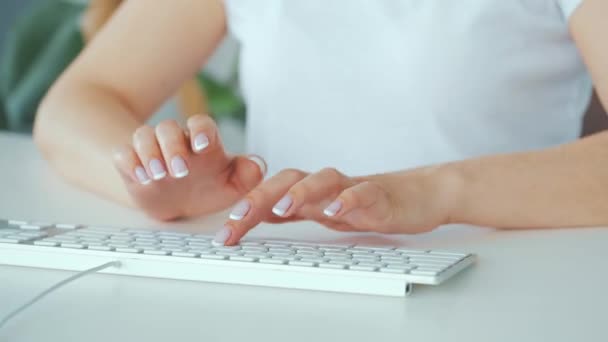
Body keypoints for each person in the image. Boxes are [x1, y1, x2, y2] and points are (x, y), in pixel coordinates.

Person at [33, 0, 608, 246]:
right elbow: (78, 101)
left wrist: (431, 190)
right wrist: (156, 183)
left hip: (504, 287)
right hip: (287, 278)